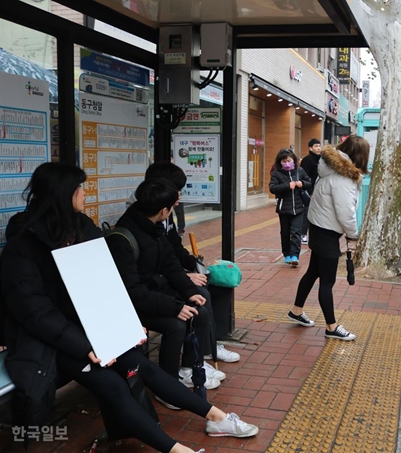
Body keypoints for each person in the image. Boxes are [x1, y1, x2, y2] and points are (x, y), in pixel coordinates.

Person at [0, 162, 258, 453]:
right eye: (80, 188)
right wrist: (85, 346)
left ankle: (217, 417)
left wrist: (124, 325)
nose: (85, 194)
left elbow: (106, 282)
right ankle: (177, 450)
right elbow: (36, 313)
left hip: (90, 327)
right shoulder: (22, 247)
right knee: (112, 384)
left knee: (140, 365)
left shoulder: (82, 228)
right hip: (49, 341)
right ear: (63, 194)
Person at [107, 178, 223, 394]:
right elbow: (133, 292)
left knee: (200, 307)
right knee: (177, 325)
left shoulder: (154, 227)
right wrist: (175, 307)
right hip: (133, 303)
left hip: (152, 294)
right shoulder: (123, 238)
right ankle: (168, 386)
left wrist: (189, 292)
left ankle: (189, 367)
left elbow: (171, 265)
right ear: (163, 210)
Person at [142, 162, 240, 365]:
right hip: (154, 287)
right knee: (201, 294)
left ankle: (211, 343)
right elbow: (152, 268)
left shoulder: (164, 214)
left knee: (216, 282)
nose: (179, 196)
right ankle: (200, 354)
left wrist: (195, 264)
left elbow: (173, 249)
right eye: (176, 190)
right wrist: (187, 277)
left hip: (166, 277)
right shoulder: (146, 217)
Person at [287, 135, 369, 341]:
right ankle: (331, 326)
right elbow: (346, 212)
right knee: (327, 281)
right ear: (359, 156)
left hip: (318, 228)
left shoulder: (328, 170)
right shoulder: (343, 179)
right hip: (327, 233)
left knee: (313, 271)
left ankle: (296, 311)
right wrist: (353, 235)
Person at [269, 148, 312, 266]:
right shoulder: (277, 174)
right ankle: (287, 254)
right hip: (284, 209)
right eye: (284, 161)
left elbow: (309, 183)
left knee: (296, 232)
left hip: (299, 208)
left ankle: (295, 256)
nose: (287, 163)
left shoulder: (300, 171)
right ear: (280, 162)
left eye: (289, 160)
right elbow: (272, 188)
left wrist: (302, 184)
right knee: (285, 233)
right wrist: (287, 186)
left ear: (293, 160)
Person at [299, 138, 322, 245]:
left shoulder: (321, 160)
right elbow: (304, 177)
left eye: (319, 146)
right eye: (316, 146)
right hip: (309, 191)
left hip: (319, 191)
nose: (318, 148)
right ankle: (302, 234)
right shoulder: (307, 160)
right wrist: (309, 191)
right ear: (310, 148)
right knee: (306, 213)